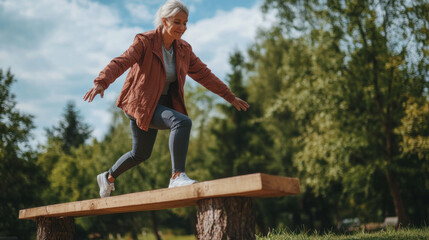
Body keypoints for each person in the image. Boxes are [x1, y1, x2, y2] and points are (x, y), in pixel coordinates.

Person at [83, 0, 249, 198]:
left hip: (160, 104)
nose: (182, 28)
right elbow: (122, 61)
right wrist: (101, 82)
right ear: (164, 21)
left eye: (185, 23)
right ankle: (177, 176)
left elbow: (205, 75)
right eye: (177, 22)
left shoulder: (183, 50)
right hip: (141, 104)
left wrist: (228, 96)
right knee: (181, 122)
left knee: (140, 154)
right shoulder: (145, 41)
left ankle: (108, 177)